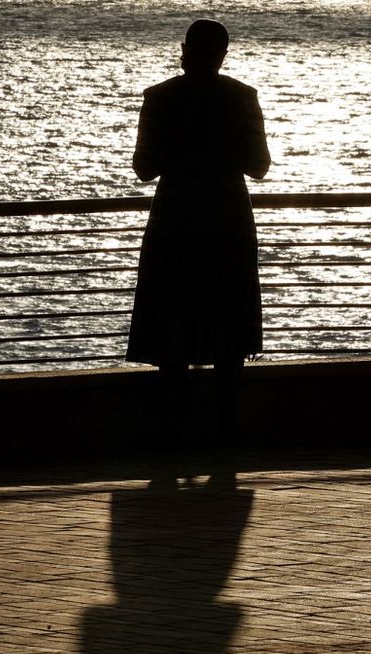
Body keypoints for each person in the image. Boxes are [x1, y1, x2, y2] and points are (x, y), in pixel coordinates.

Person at [126, 19, 271, 442]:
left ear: (185, 50)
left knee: (172, 321)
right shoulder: (243, 98)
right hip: (227, 219)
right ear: (223, 55)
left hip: (176, 219)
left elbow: (143, 169)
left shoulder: (160, 98)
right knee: (229, 323)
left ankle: (172, 430)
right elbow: (259, 167)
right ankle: (226, 428)